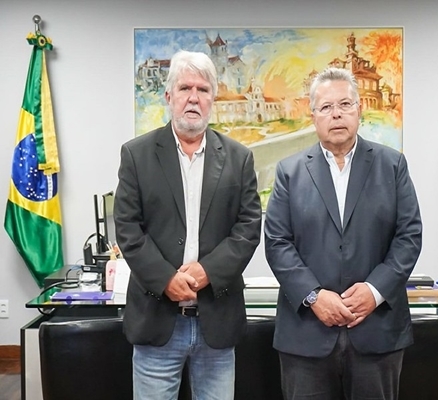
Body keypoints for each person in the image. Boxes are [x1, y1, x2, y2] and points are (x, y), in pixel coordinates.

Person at [264, 67, 422, 400]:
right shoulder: (289, 172)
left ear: (359, 110)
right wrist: (313, 296)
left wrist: (375, 290)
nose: (336, 114)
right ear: (313, 116)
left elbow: (409, 235)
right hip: (306, 334)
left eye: (345, 104)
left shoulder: (392, 165)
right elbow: (277, 243)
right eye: (326, 107)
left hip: (377, 331)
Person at [114, 50, 262, 399]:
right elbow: (127, 228)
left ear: (213, 98)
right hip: (156, 318)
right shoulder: (137, 155)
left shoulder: (239, 158)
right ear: (169, 97)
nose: (193, 97)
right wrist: (166, 279)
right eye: (184, 88)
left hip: (217, 320)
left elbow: (248, 227)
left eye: (203, 89)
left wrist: (206, 272)